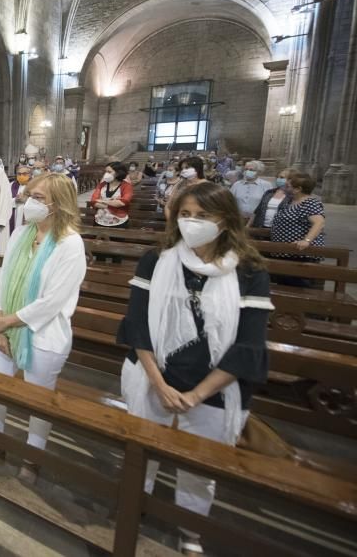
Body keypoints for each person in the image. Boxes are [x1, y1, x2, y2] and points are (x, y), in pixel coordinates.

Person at [116, 181, 271, 556]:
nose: (191, 222)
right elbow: (138, 325)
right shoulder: (157, 260)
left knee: (200, 465)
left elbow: (249, 345)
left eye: (203, 216)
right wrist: (159, 383)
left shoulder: (248, 271)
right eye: (185, 214)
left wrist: (197, 394)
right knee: (140, 453)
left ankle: (191, 529)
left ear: (226, 220)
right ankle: (132, 511)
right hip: (153, 376)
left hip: (212, 387)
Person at [0, 174, 86, 482]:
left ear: (58, 204)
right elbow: (5, 279)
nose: (29, 202)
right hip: (6, 327)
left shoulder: (70, 244)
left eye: (38, 197)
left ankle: (33, 456)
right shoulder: (20, 233)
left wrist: (9, 321)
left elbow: (52, 301)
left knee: (38, 401)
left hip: (44, 334)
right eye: (29, 196)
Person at [270, 172, 326, 278]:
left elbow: (319, 222)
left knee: (296, 283)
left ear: (297, 189)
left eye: (288, 186)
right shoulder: (289, 201)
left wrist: (306, 241)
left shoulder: (310, 203)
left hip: (300, 254)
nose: (285, 188)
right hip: (284, 252)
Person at [90, 162, 133, 227]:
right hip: (100, 220)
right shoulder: (102, 185)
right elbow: (93, 201)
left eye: (109, 172)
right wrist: (111, 205)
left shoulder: (126, 186)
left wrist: (103, 201)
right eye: (106, 172)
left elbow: (122, 202)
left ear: (118, 173)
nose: (106, 174)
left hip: (119, 222)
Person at [10, 163, 31, 233]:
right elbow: (5, 201)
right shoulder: (11, 185)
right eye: (19, 174)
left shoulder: (34, 185)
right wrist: (15, 200)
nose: (21, 176)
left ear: (29, 174)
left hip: (27, 218)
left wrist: (26, 200)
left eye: (24, 174)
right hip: (14, 216)